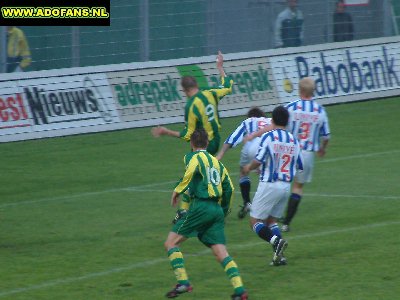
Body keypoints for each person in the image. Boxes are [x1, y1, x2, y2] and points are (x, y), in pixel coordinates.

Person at [164, 128, 248, 300]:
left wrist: (177, 191)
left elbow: (189, 173)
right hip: (216, 211)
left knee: (171, 243)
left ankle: (183, 282)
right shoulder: (217, 163)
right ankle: (240, 290)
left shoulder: (192, 157)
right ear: (208, 143)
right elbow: (229, 188)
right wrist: (223, 211)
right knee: (221, 253)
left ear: (192, 143)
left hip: (201, 207)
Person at [152, 51, 233, 223]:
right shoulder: (210, 93)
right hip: (216, 138)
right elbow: (227, 86)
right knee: (200, 175)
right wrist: (220, 67)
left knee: (193, 175)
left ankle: (192, 210)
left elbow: (187, 135)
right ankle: (186, 210)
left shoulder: (191, 105)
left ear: (185, 90)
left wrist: (166, 132)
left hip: (204, 143)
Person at [243, 105, 303, 266]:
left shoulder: (268, 137)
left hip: (269, 184)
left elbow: (258, 160)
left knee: (254, 221)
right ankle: (280, 257)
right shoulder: (293, 140)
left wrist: (249, 168)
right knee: (271, 221)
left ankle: (276, 241)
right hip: (285, 187)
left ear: (273, 120)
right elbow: (299, 165)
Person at [281, 77, 330, 232]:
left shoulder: (290, 107)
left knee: (280, 181)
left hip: (289, 149)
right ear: (313, 91)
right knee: (298, 186)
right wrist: (322, 148)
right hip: (307, 153)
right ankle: (286, 222)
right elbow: (327, 135)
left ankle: (271, 214)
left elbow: (280, 127)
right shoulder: (320, 110)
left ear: (300, 90)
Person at [216, 107, 273, 219]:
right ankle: (267, 206)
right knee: (267, 175)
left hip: (251, 146)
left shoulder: (249, 121)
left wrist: (220, 154)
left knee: (243, 172)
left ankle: (247, 202)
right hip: (269, 147)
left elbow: (233, 138)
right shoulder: (271, 121)